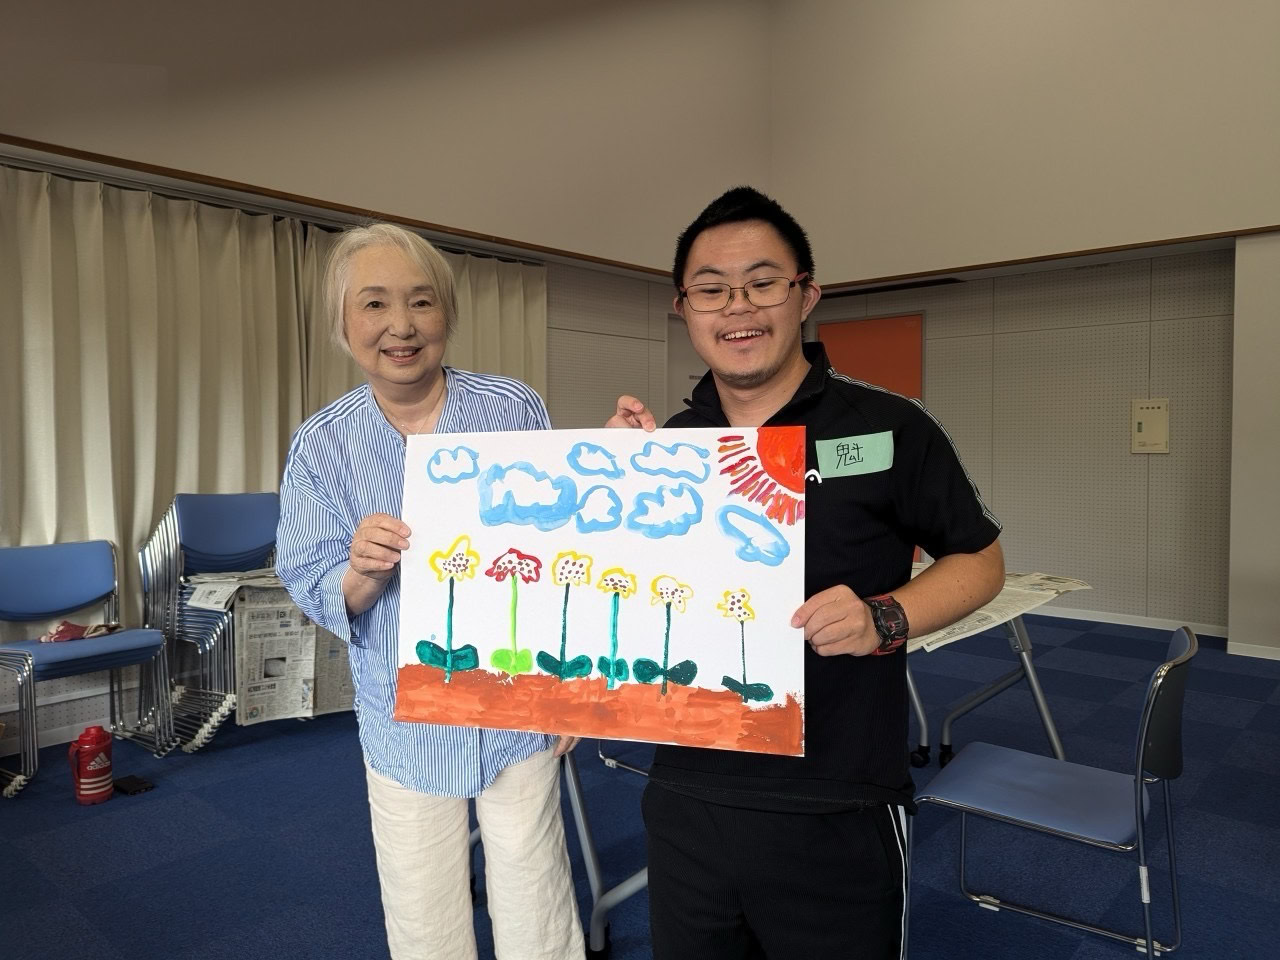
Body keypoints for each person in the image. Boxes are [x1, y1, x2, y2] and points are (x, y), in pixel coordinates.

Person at [608, 187, 1005, 959]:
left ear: (806, 296)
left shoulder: (889, 428)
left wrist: (884, 617)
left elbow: (980, 559)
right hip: (689, 792)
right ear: (684, 308)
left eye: (762, 283)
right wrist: (613, 482)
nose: (738, 307)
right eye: (712, 290)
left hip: (838, 795)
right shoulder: (670, 445)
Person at [276, 222, 584, 960]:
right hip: (403, 715)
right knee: (423, 913)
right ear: (343, 323)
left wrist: (566, 690)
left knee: (536, 889)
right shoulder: (323, 443)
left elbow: (558, 549)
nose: (402, 326)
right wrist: (361, 571)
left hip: (515, 702)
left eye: (421, 301)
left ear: (447, 312)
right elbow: (313, 582)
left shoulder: (510, 408)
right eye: (374, 304)